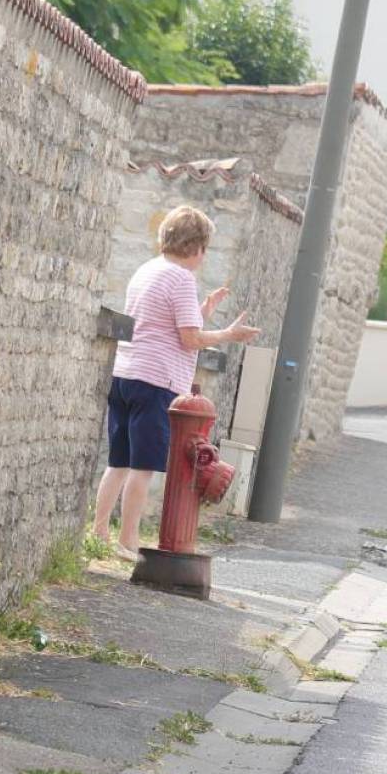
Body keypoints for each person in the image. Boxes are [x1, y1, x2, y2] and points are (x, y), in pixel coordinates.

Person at [93, 206, 260, 560]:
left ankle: (98, 534)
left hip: (125, 374)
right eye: (206, 248)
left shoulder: (147, 270)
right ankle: (128, 541)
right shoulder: (182, 278)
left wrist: (204, 312)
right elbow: (189, 339)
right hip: (157, 380)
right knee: (144, 466)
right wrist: (229, 334)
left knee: (118, 461)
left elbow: (164, 324)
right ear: (197, 246)